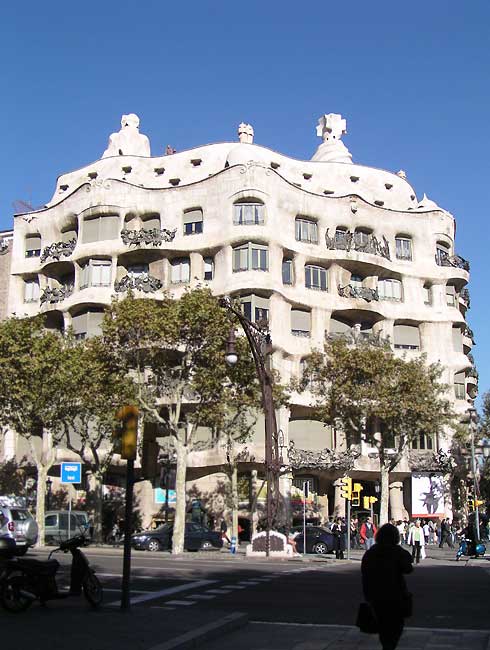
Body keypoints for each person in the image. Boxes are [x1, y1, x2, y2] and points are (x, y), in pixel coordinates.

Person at [361, 523, 413, 650]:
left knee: (382, 624)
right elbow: (408, 568)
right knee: (396, 625)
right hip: (396, 593)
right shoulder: (397, 552)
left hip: (376, 594)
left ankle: (386, 645)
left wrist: (367, 594)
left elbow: (365, 573)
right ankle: (389, 646)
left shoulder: (371, 552)